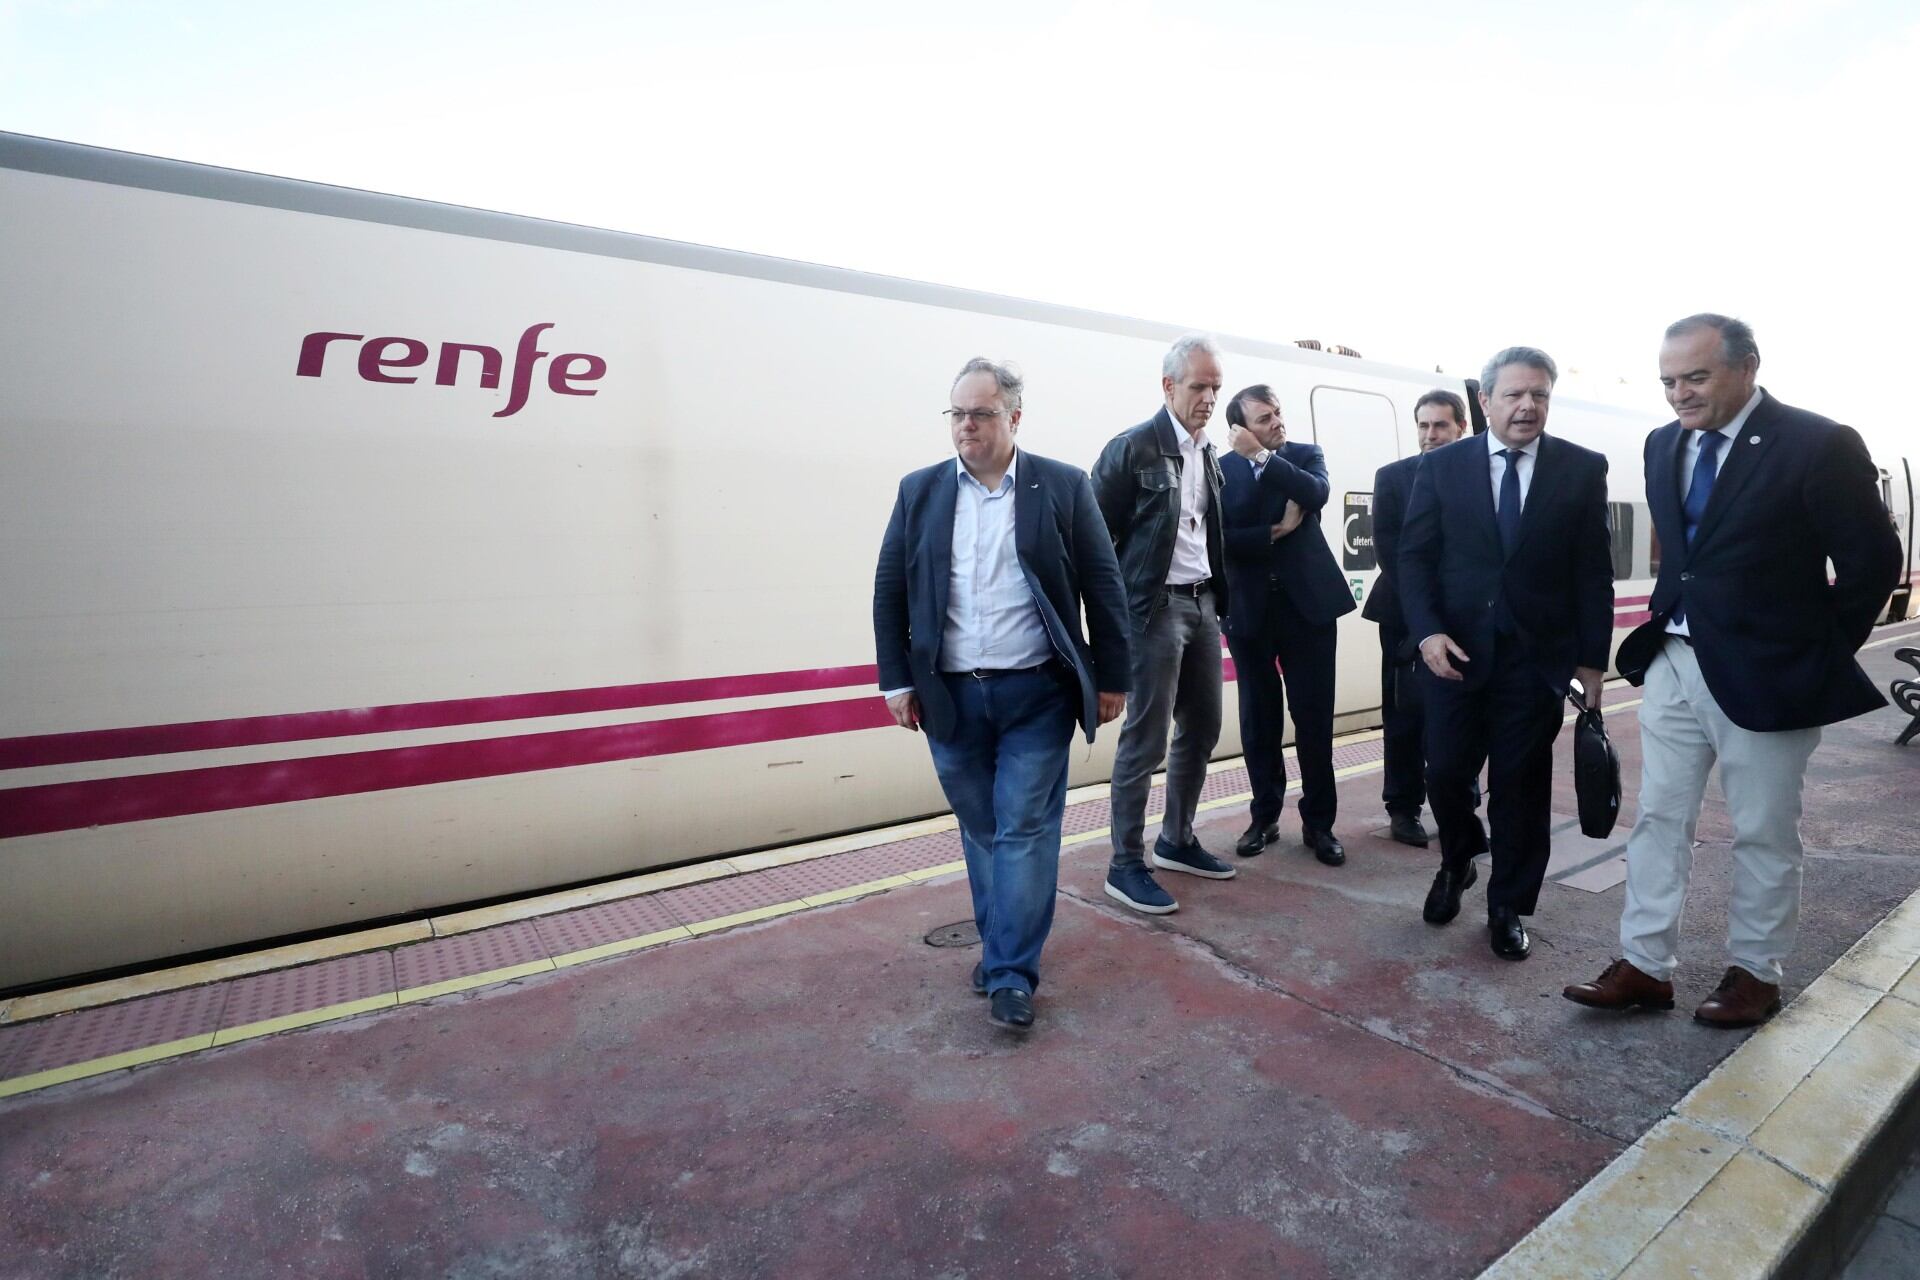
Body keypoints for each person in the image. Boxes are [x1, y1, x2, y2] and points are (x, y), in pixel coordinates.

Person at [1564, 315, 1902, 1027]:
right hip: (1673, 663)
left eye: (1695, 377)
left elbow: (1872, 562)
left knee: (1764, 829)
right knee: (1659, 818)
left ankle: (1756, 972)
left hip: (1771, 673)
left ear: (1747, 367)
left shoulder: (1818, 443)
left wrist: (1817, 654)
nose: (1678, 395)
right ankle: (1645, 966)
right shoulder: (1664, 445)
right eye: (1668, 381)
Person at [873, 358, 1131, 1032]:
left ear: (1014, 417)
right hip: (949, 699)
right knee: (982, 830)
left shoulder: (1063, 487)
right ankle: (1002, 951)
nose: (966, 426)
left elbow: (1104, 586)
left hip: (1036, 695)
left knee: (1020, 829)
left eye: (980, 413)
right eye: (956, 413)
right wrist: (896, 680)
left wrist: (1113, 678)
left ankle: (1012, 973)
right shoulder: (920, 491)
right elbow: (890, 591)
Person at [1398, 347, 1613, 959]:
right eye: (1515, 394)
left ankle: (1507, 905)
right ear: (1485, 401)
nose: (1527, 406)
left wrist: (1592, 659)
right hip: (1453, 654)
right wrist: (1427, 632)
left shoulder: (1579, 468)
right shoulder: (1443, 468)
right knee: (1443, 773)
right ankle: (1459, 860)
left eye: (1539, 394)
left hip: (1534, 661)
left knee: (1520, 788)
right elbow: (1413, 558)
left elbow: (1593, 571)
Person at [1091, 334, 1232, 914]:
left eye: (1215, 388)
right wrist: (1108, 627)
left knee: (1202, 728)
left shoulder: (1207, 452)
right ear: (1168, 385)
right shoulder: (1132, 448)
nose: (1209, 398)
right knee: (1144, 739)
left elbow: (1204, 532)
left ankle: (1176, 839)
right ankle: (1125, 863)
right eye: (1199, 386)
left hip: (1201, 607)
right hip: (1152, 610)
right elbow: (1092, 541)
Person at [1218, 385, 1356, 864]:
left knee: (1314, 719)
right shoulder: (1219, 468)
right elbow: (1216, 537)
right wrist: (1273, 533)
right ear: (1239, 430)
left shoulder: (1303, 456)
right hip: (1249, 609)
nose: (1277, 422)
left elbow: (1315, 492)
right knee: (1259, 720)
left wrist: (1263, 458)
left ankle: (1320, 826)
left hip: (1309, 608)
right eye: (1263, 418)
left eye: (1277, 413)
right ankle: (1264, 816)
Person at [1363, 390, 1472, 848]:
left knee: (1464, 714)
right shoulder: (1393, 478)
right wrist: (1427, 621)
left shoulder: (1480, 475)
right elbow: (1392, 554)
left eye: (1440, 426)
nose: (1430, 435)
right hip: (1404, 616)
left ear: (1460, 428)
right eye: (1423, 426)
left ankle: (1460, 801)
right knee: (1404, 714)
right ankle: (1403, 808)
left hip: (1467, 616)